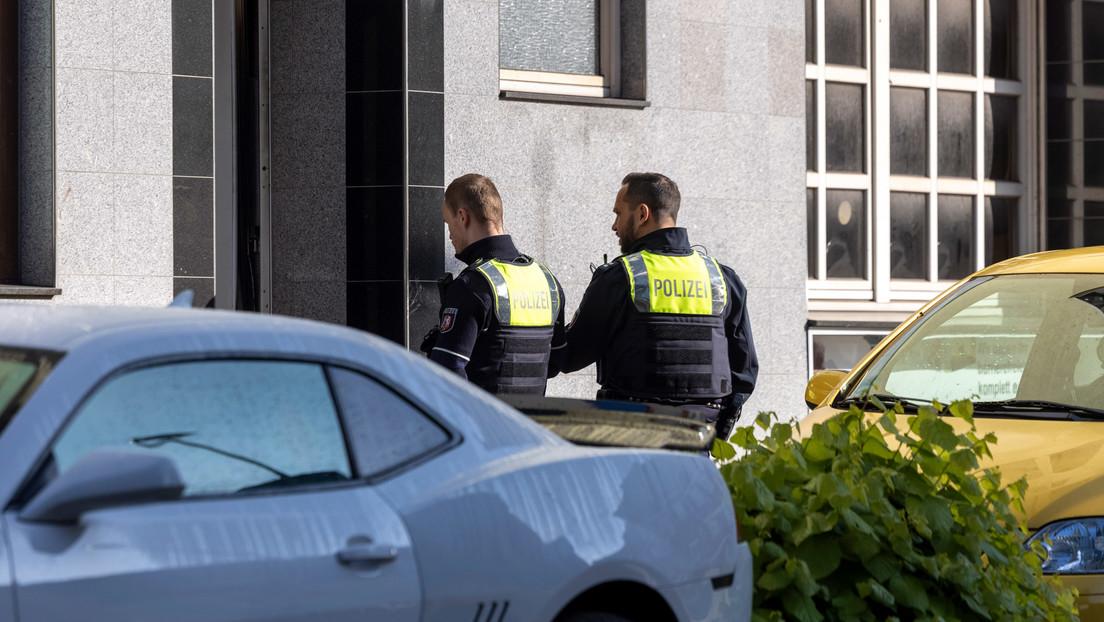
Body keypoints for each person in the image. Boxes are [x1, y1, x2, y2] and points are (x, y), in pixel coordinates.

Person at [549, 172, 758, 439]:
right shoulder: (722, 279)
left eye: (618, 214)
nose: (614, 226)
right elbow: (745, 371)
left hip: (631, 439)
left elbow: (568, 357)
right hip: (698, 439)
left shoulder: (621, 278)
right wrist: (720, 426)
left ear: (642, 214)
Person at [420, 173, 566, 395]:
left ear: (462, 216)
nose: (449, 235)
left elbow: (447, 371)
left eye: (448, 223)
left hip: (484, 425)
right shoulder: (547, 281)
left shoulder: (473, 285)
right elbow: (554, 363)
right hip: (531, 425)